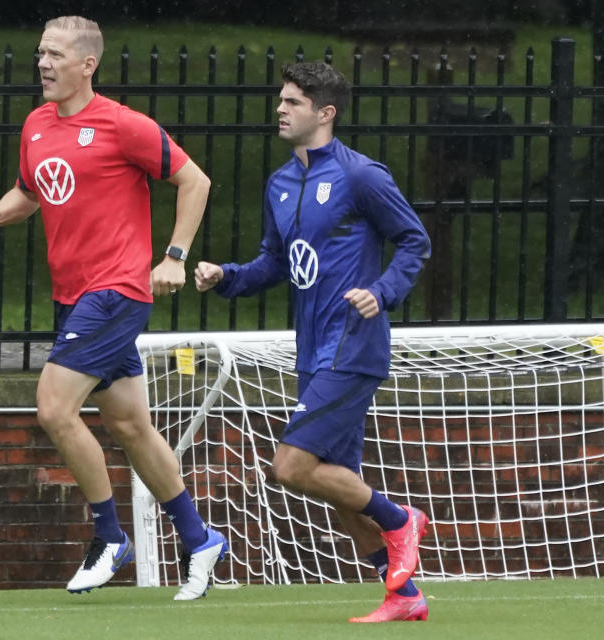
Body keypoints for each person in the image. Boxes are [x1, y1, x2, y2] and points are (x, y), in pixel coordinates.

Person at [0, 15, 226, 601]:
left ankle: (109, 537)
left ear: (87, 65)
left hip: (115, 291)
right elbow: (32, 192)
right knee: (130, 424)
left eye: (55, 55)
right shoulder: (35, 124)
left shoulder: (122, 125)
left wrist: (174, 257)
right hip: (71, 295)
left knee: (54, 408)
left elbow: (195, 181)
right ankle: (199, 537)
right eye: (39, 54)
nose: (43, 65)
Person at [194, 61, 432, 623]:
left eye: (293, 102)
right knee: (338, 486)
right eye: (281, 99)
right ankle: (404, 596)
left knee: (292, 467)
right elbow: (276, 264)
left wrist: (383, 290)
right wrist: (226, 276)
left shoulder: (361, 176)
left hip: (352, 346)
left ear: (324, 114)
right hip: (312, 350)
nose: (280, 108)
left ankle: (401, 521)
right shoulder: (280, 182)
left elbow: (414, 241)